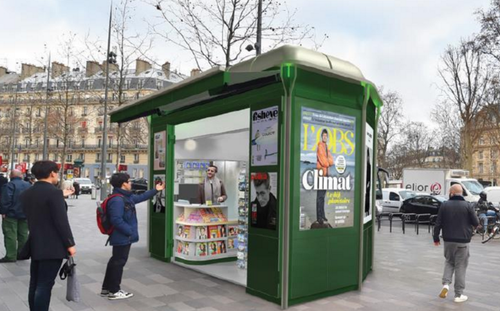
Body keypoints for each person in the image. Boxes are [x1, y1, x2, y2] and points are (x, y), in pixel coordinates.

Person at [20, 161, 76, 311]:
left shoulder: (27, 193)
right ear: (52, 173)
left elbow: (41, 211)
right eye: (57, 172)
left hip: (35, 243)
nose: (57, 175)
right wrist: (70, 244)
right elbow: (61, 222)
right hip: (52, 245)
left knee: (35, 283)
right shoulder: (54, 193)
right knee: (45, 285)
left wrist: (59, 197)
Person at [101, 173, 165, 300]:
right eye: (129, 181)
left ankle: (107, 289)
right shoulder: (117, 200)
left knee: (115, 261)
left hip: (123, 236)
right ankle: (114, 290)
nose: (131, 183)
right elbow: (116, 220)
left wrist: (155, 190)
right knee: (118, 262)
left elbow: (141, 197)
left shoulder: (125, 197)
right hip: (122, 237)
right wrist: (129, 231)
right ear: (123, 184)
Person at [433, 184, 479, 303]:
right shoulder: (468, 205)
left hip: (448, 240)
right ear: (461, 193)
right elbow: (476, 222)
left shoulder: (444, 205)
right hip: (463, 241)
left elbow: (438, 223)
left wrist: (436, 238)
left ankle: (446, 285)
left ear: (452, 193)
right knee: (460, 266)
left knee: (449, 261)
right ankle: (458, 295)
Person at [0, 170, 31, 262]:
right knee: (23, 234)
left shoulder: (9, 185)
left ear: (11, 176)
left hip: (11, 214)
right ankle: (22, 254)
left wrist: (3, 212)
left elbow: (6, 200)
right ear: (21, 176)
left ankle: (11, 256)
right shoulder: (28, 185)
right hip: (25, 214)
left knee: (10, 234)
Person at [316, 129, 334, 224]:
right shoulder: (320, 146)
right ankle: (319, 217)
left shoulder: (327, 147)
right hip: (321, 175)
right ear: (321, 136)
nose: (325, 137)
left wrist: (328, 161)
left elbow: (332, 161)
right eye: (323, 135)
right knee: (320, 196)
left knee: (323, 197)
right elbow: (324, 162)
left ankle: (322, 215)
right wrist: (328, 162)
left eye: (326, 136)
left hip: (326, 174)